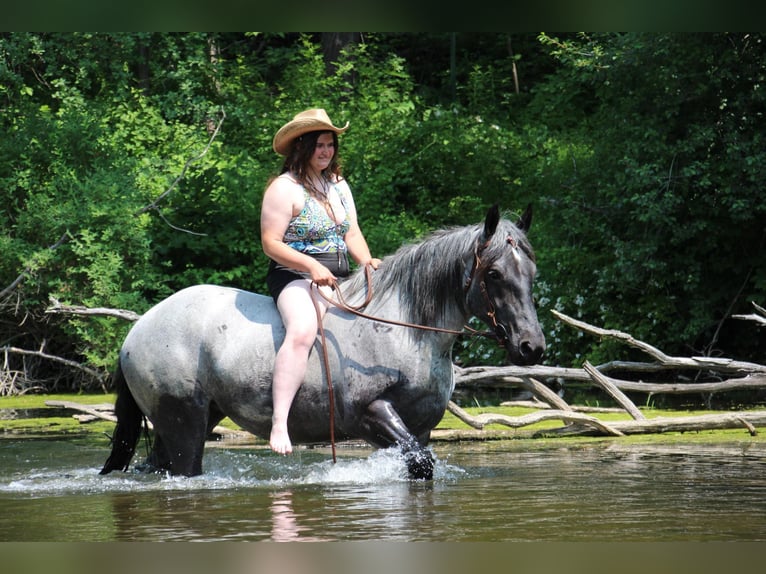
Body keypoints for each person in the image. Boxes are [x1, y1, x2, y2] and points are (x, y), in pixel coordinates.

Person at [261, 108, 381, 455]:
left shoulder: (339, 185)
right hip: (294, 275)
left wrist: (368, 261)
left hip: (341, 275)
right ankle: (279, 423)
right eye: (319, 146)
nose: (326, 152)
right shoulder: (284, 189)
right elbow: (271, 244)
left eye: (330, 145)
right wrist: (311, 265)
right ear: (302, 147)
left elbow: (351, 232)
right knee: (301, 331)